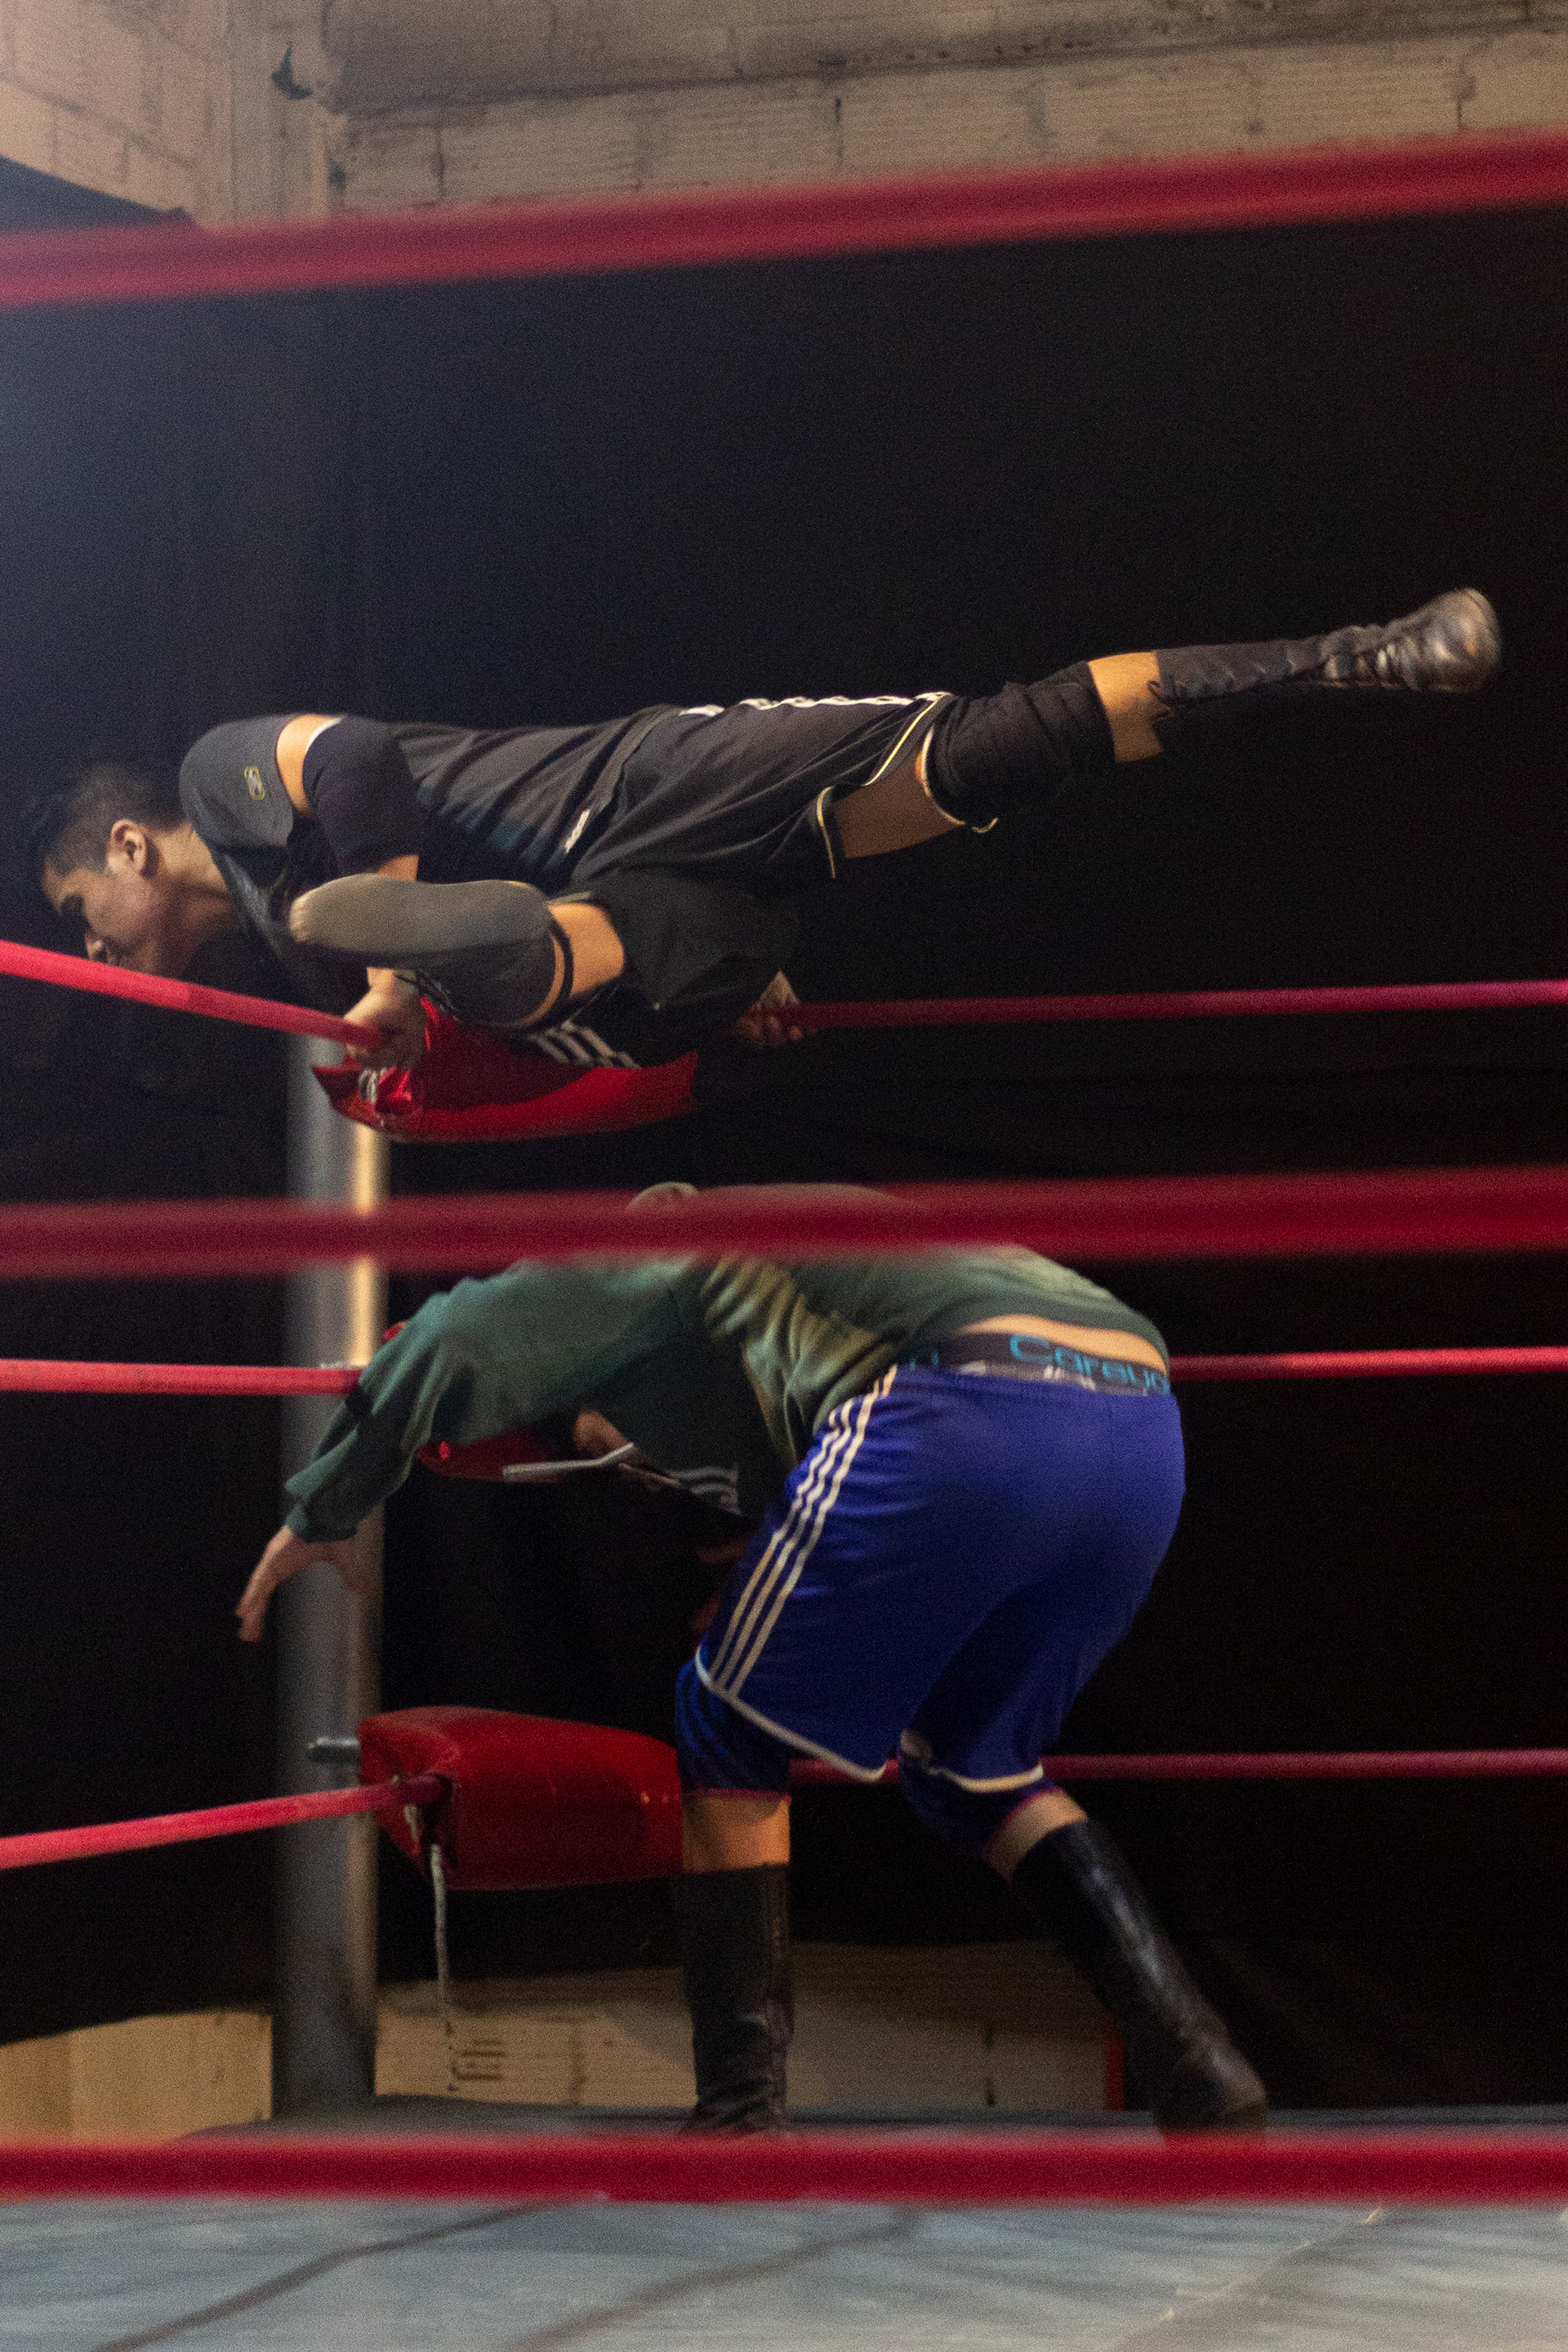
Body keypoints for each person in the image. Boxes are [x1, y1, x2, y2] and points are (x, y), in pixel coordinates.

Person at [237, 1185, 1267, 2136]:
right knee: (972, 1764)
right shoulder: (797, 1284)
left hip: (962, 1402)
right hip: (1139, 1425)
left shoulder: (657, 1244)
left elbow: (458, 1333)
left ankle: (740, 2117)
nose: (641, 1467)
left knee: (723, 1727)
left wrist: (329, 1506)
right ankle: (1197, 2064)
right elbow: (820, 1447)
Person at [34, 590, 1499, 1080]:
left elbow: (349, 757)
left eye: (75, 901)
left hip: (635, 788)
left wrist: (393, 979)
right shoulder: (304, 964)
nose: (83, 937)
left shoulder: (214, 777)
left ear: (131, 845)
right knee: (707, 976)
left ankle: (1353, 655)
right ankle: (606, 950)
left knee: (1006, 744)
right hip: (643, 889)